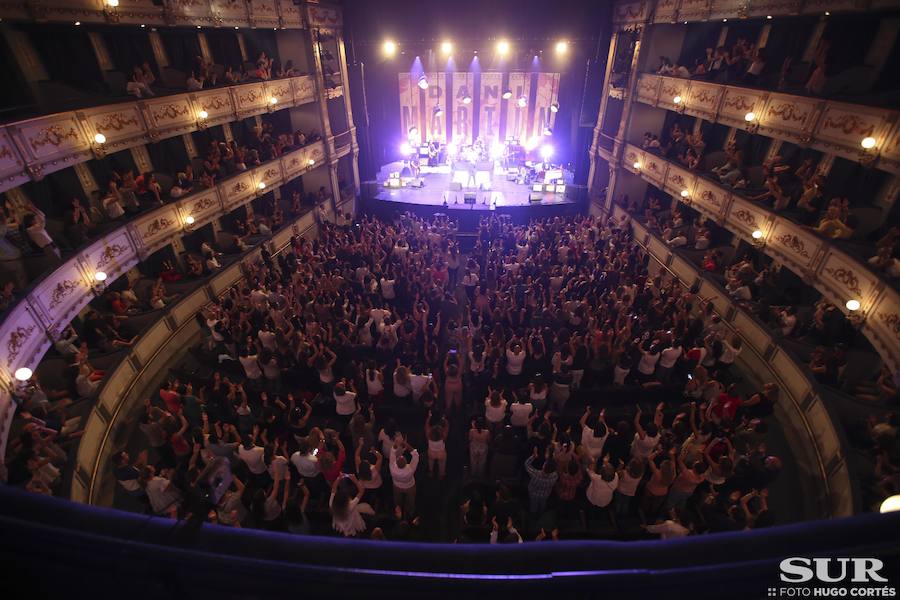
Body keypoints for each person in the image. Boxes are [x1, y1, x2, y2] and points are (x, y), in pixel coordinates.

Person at [524, 446, 558, 515]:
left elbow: (526, 464)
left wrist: (534, 456)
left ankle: (533, 514)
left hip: (533, 494)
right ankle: (541, 513)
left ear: (543, 466)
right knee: (543, 504)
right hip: (545, 494)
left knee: (533, 505)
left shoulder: (535, 474)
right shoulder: (555, 476)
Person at [390, 438, 419, 518]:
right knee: (411, 502)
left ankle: (398, 513)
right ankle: (410, 514)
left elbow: (392, 453)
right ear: (406, 462)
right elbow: (416, 455)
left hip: (397, 486)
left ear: (396, 463)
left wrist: (395, 445)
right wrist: (406, 445)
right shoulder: (410, 469)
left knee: (397, 502)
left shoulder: (392, 467)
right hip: (410, 486)